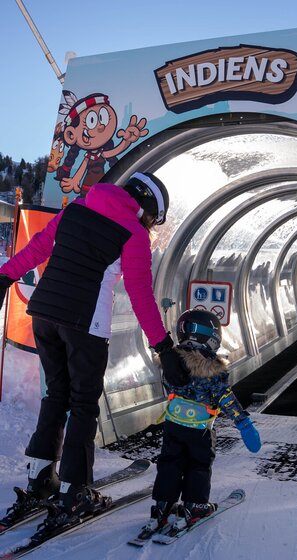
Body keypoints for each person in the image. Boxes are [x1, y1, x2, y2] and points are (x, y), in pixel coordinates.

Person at [0, 171, 173, 525]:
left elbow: (37, 248)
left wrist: (5, 276)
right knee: (82, 405)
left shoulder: (77, 208)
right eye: (154, 218)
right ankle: (73, 493)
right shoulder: (134, 233)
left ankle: (40, 478)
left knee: (55, 397)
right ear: (147, 209)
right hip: (85, 326)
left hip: (45, 315)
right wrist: (164, 347)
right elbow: (141, 296)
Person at [138, 308, 261, 537]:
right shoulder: (212, 370)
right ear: (213, 337)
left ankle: (162, 507)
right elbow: (227, 400)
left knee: (170, 464)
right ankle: (194, 506)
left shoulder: (171, 362)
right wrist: (244, 424)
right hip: (200, 431)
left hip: (173, 426)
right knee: (198, 466)